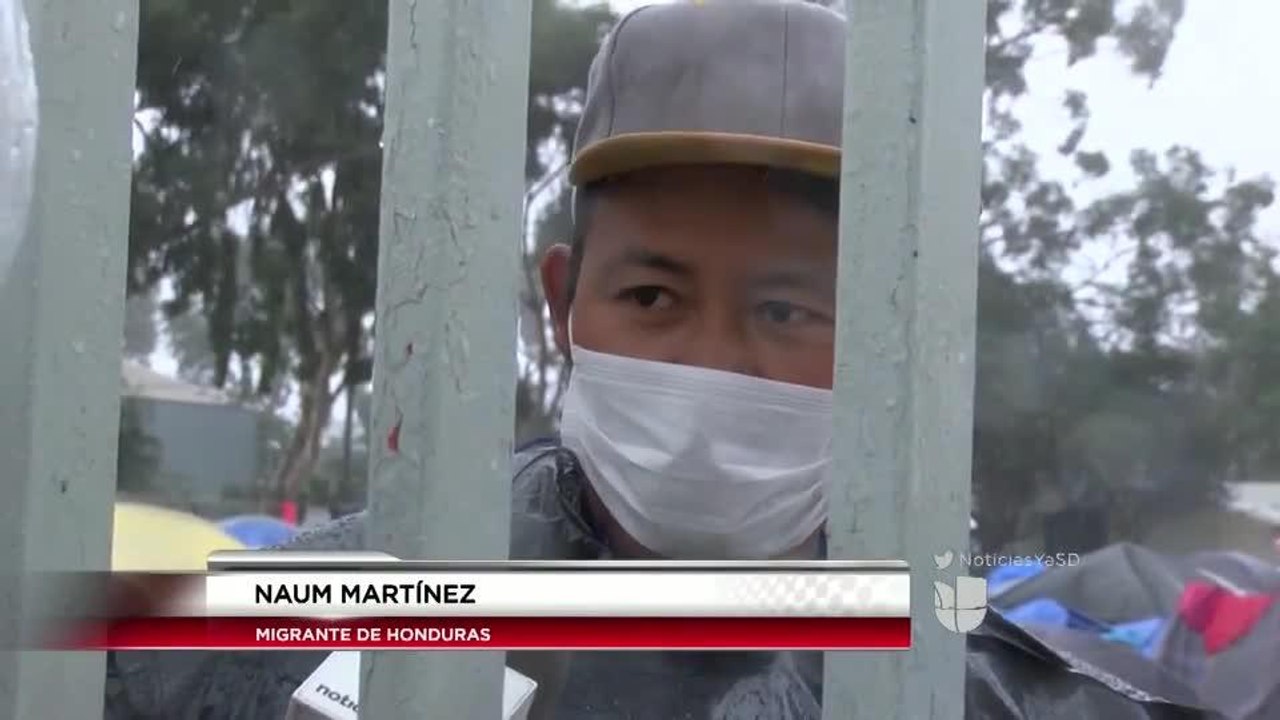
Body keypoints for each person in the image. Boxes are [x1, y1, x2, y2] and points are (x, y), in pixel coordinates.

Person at [105, 2, 1209, 718]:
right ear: (558, 305)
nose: (711, 370)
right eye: (651, 295)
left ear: (891, 349)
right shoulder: (306, 619)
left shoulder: (971, 692)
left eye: (787, 311)